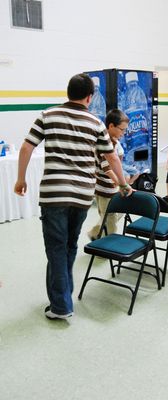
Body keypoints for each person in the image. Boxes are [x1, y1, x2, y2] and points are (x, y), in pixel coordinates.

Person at [14, 73, 132, 320]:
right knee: (69, 245)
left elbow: (26, 147)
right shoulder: (96, 123)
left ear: (68, 92)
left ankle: (61, 305)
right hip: (81, 195)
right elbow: (111, 157)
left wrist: (21, 179)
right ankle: (64, 295)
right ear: (90, 97)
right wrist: (123, 184)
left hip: (54, 193)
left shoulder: (47, 115)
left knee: (56, 249)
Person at [88, 109, 131, 240]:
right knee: (110, 219)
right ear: (111, 126)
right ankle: (108, 248)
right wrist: (122, 184)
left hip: (111, 188)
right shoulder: (103, 143)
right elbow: (108, 168)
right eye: (121, 130)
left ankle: (95, 234)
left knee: (109, 216)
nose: (123, 133)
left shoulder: (114, 142)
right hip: (104, 189)